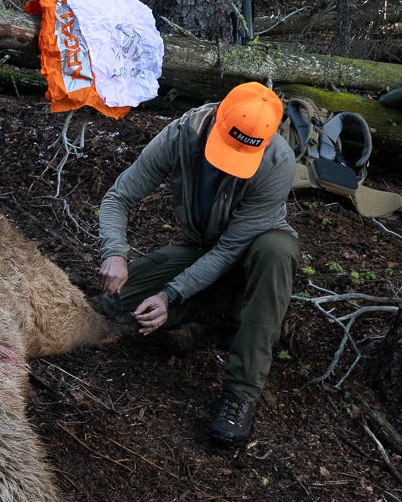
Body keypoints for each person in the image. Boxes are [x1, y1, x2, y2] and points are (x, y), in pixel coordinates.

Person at [97, 81, 299, 444]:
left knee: (275, 250)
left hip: (251, 259)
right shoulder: (180, 136)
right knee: (116, 305)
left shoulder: (278, 163)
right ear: (217, 118)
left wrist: (170, 295)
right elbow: (119, 197)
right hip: (203, 253)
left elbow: (229, 251)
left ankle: (241, 393)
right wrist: (115, 251)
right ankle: (222, 314)